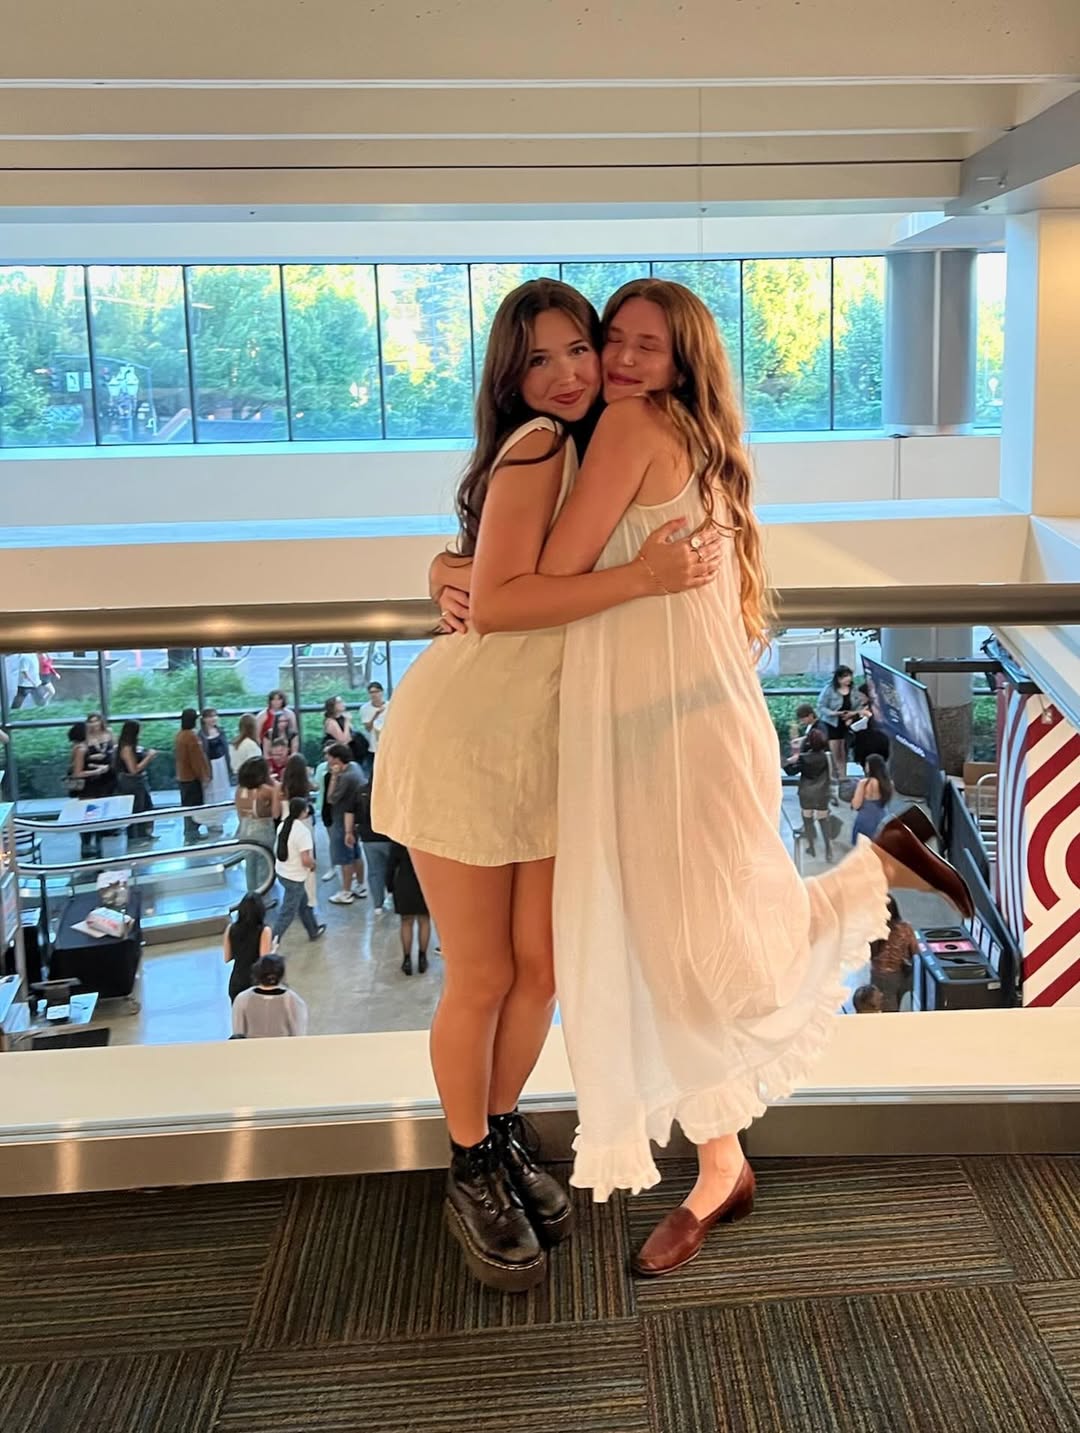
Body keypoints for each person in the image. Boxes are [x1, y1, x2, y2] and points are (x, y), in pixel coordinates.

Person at [461, 277, 972, 1279]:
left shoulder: (629, 424)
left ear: (681, 362)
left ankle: (872, 873)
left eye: (644, 346)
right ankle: (723, 1159)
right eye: (613, 339)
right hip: (692, 717)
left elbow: (544, 575)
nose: (618, 361)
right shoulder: (692, 434)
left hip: (671, 733)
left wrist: (470, 576)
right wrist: (463, 570)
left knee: (691, 947)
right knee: (678, 944)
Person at [373, 278, 723, 1294]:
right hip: (469, 739)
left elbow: (492, 570)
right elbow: (500, 602)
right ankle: (470, 1162)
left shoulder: (600, 442)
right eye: (541, 359)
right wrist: (641, 579)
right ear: (511, 376)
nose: (572, 372)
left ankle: (498, 1129)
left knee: (541, 968)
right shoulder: (538, 445)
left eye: (582, 347)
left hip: (545, 745)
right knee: (484, 973)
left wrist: (447, 564)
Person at [271, 797, 326, 944]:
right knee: (287, 912)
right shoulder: (303, 832)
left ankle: (313, 930)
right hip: (295, 877)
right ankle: (272, 940)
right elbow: (305, 859)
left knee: (304, 903)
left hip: (282, 872)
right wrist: (313, 865)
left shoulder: (283, 825)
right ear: (303, 812)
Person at [325, 743, 367, 905]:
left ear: (336, 759)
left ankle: (346, 891)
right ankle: (360, 885)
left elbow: (331, 798)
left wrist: (334, 777)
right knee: (356, 854)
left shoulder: (345, 777)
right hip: (355, 819)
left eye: (329, 757)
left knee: (345, 858)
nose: (327, 760)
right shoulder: (355, 767)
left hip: (342, 821)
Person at [231, 953, 308, 1038]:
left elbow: (238, 1034)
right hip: (282, 1046)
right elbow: (299, 1035)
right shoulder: (293, 1000)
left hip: (252, 1046)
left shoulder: (242, 999)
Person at [786, 727, 833, 861]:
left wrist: (788, 761)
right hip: (823, 793)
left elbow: (790, 772)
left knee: (807, 820)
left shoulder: (803, 758)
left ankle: (811, 847)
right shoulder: (827, 756)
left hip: (806, 793)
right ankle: (828, 850)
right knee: (823, 820)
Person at [234, 756, 280, 893]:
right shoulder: (266, 791)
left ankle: (251, 894)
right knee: (265, 865)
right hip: (263, 830)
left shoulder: (239, 790)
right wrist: (276, 789)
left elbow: (239, 814)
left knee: (250, 865)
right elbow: (276, 813)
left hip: (245, 829)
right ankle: (265, 895)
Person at [386, 840, 430, 975]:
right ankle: (422, 958)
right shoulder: (429, 839)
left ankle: (407, 960)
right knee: (424, 921)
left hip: (404, 883)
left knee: (406, 922)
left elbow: (391, 865)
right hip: (425, 882)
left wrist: (390, 886)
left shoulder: (401, 838)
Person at [869, 894, 919, 1012]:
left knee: (883, 1007)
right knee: (891, 1009)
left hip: (877, 975)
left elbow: (868, 954)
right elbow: (915, 951)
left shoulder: (873, 929)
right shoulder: (905, 929)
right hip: (897, 974)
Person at [223, 892, 274, 1003]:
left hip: (236, 982)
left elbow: (227, 957)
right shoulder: (264, 931)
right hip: (255, 983)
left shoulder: (230, 929)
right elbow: (264, 961)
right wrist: (273, 950)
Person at [115, 720, 158, 846]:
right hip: (131, 782)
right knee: (136, 809)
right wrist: (149, 757)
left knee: (146, 807)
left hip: (138, 781)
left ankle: (145, 834)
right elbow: (133, 769)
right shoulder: (127, 748)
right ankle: (136, 838)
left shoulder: (132, 746)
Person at [65, 721, 104, 859]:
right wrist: (97, 771)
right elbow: (78, 772)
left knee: (90, 817)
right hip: (88, 789)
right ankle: (88, 846)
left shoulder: (79, 747)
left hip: (89, 788)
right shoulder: (81, 749)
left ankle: (88, 845)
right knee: (90, 817)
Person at [356, 773, 392, 913]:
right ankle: (393, 897)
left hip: (368, 837)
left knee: (374, 872)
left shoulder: (361, 791)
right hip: (390, 837)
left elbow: (352, 812)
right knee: (394, 869)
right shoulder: (391, 790)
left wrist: (349, 832)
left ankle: (378, 905)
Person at [818, 665, 858, 789]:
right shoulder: (829, 689)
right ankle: (837, 777)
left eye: (849, 676)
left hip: (846, 723)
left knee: (844, 750)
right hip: (832, 723)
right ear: (839, 678)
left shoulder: (854, 689)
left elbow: (859, 706)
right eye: (845, 677)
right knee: (835, 751)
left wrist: (852, 715)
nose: (848, 679)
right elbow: (821, 706)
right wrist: (833, 713)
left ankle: (843, 776)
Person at [175, 707, 211, 844]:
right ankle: (192, 834)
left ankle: (190, 832)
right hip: (191, 778)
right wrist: (204, 776)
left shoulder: (180, 735)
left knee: (187, 806)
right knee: (194, 806)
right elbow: (197, 760)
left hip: (183, 777)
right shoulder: (191, 737)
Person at [199, 708, 232, 832]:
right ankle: (211, 821)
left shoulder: (221, 731)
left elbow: (226, 750)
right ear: (204, 719)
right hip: (210, 766)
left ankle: (221, 820)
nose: (213, 719)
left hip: (221, 764)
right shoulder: (201, 734)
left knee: (222, 792)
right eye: (209, 716)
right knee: (210, 793)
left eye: (214, 716)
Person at [851, 753, 893, 845]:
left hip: (865, 820)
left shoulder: (864, 783)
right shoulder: (889, 783)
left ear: (871, 767)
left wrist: (852, 800)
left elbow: (856, 805)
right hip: (882, 818)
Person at [259, 690, 298, 758]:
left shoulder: (290, 714)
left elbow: (294, 732)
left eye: (279, 699)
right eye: (273, 699)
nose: (276, 702)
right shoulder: (262, 715)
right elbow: (257, 735)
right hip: (268, 748)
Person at [359, 682, 388, 775]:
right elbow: (368, 728)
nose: (374, 694)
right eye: (371, 692)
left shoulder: (390, 706)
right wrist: (376, 714)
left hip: (388, 743)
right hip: (374, 745)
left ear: (382, 692)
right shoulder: (365, 708)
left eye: (377, 691)